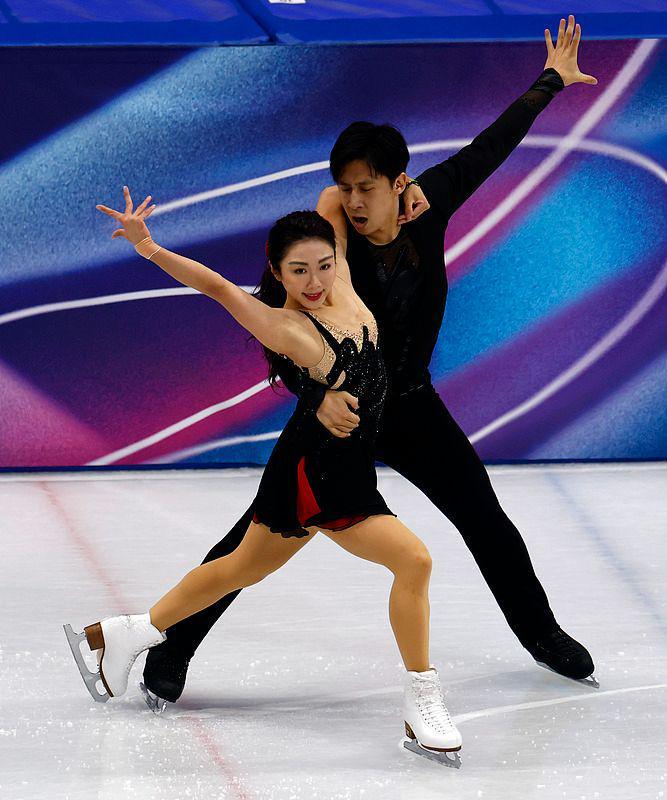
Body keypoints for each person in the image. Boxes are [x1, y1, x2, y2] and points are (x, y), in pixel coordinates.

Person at [142, 14, 600, 706]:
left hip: (411, 404)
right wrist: (314, 394)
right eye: (345, 187)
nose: (355, 201)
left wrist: (551, 81)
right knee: (251, 542)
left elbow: (490, 146)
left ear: (398, 182)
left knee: (485, 518)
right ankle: (171, 647)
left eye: (368, 187)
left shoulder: (429, 204)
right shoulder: (326, 244)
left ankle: (541, 634)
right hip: (336, 412)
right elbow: (283, 328)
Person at [65, 194, 463, 766]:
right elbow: (216, 288)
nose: (314, 281)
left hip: (341, 464)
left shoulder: (341, 281)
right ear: (277, 272)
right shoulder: (286, 327)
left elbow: (332, 201)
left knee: (238, 569)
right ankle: (422, 701)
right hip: (319, 472)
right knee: (414, 561)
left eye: (323, 265)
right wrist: (147, 245)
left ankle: (120, 634)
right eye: (298, 271)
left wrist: (402, 190)